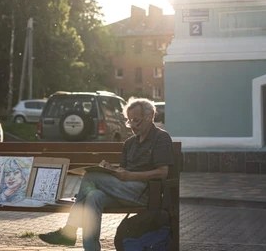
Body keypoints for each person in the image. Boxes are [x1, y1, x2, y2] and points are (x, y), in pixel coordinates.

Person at [38, 98, 174, 250]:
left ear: (149, 117)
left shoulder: (160, 137)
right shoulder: (130, 143)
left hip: (147, 193)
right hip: (126, 191)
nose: (133, 125)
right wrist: (111, 170)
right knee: (93, 196)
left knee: (90, 177)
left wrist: (130, 176)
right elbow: (123, 171)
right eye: (129, 121)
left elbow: (163, 172)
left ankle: (69, 230)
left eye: (136, 120)